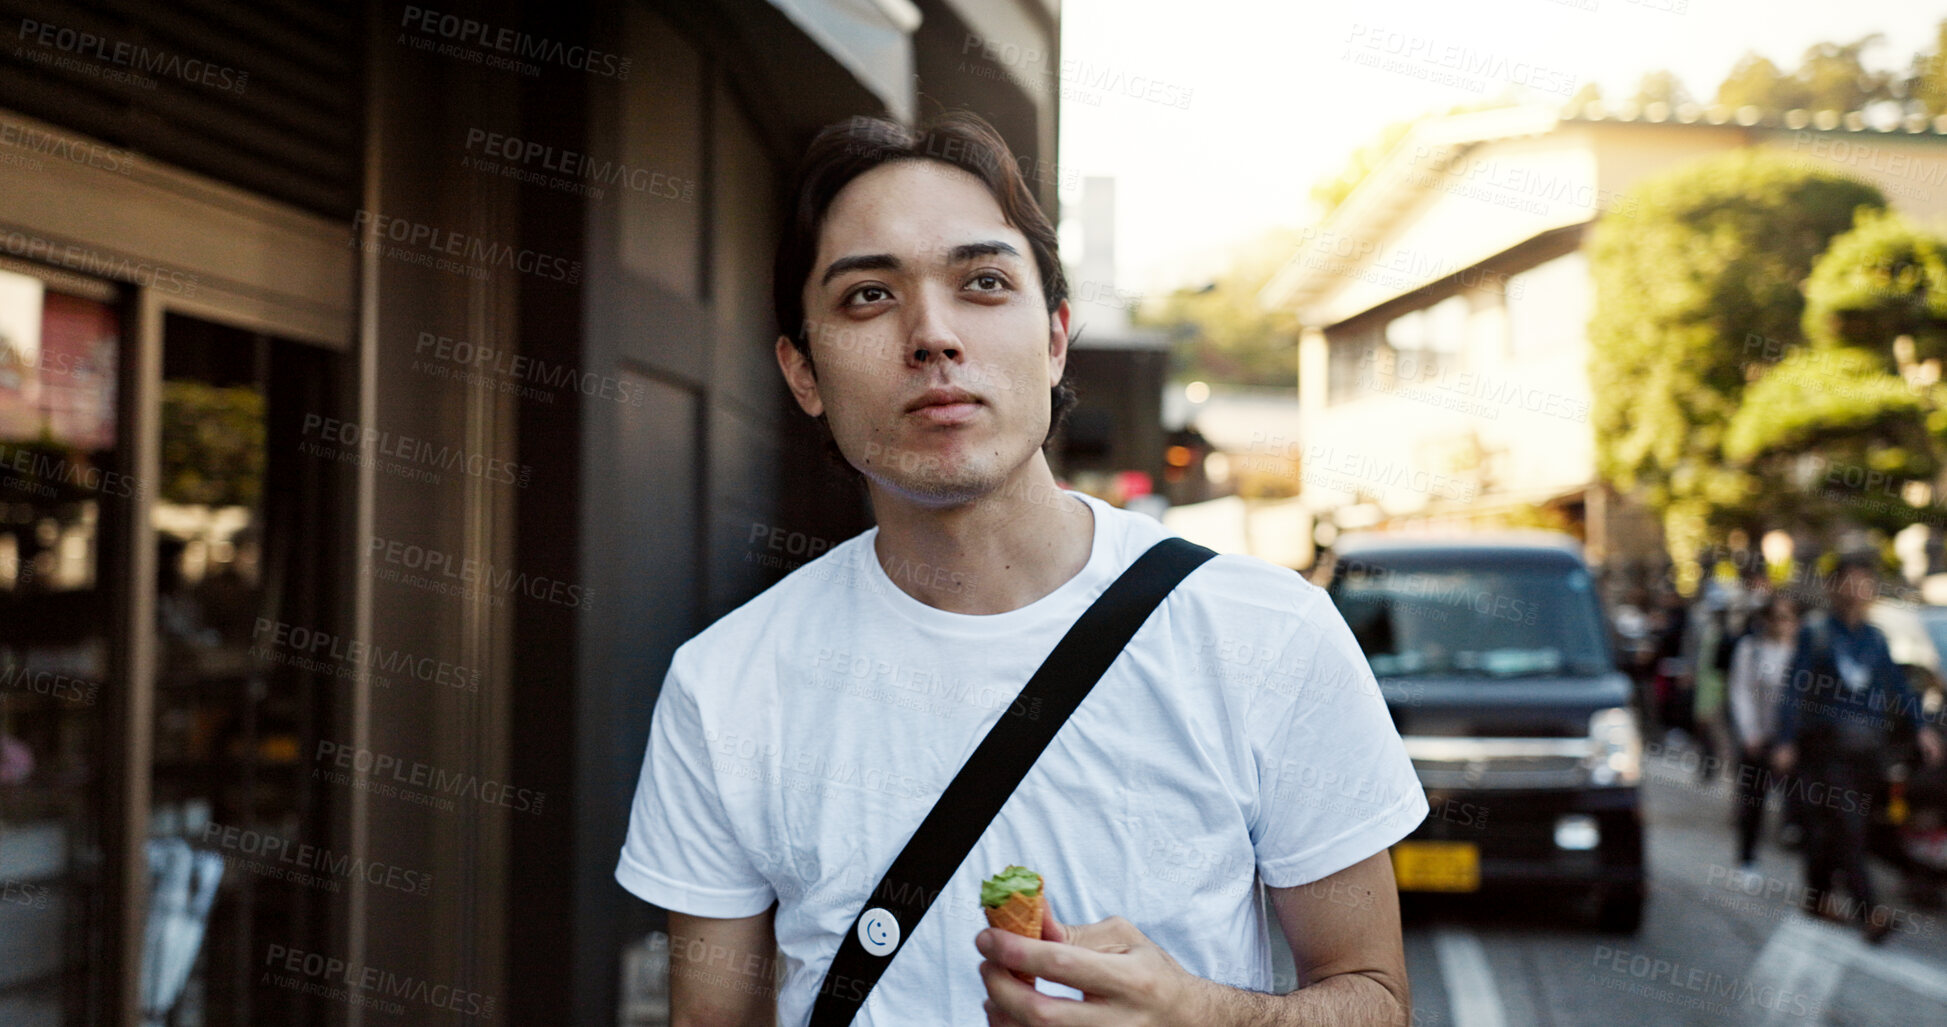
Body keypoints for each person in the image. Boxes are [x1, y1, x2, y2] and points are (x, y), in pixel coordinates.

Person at [614, 111, 1427, 1026]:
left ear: (1053, 337)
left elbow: (1374, 998)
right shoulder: (724, 684)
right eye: (868, 297)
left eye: (984, 282)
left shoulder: (1267, 633)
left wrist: (1202, 1014)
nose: (932, 335)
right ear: (803, 373)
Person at [1773, 553, 1945, 943]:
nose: (1859, 589)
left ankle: (1817, 897)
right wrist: (1785, 741)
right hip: (1825, 751)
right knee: (1848, 827)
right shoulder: (1815, 634)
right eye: (1851, 580)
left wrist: (1922, 729)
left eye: (1865, 581)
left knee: (1835, 831)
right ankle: (1870, 912)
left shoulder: (1874, 639)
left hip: (1868, 752)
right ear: (1834, 586)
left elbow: (1900, 689)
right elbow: (1794, 690)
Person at [1727, 595, 1797, 881]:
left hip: (1791, 741)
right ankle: (1747, 859)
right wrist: (1750, 733)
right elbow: (1740, 692)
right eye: (1777, 617)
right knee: (1753, 802)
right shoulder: (1751, 650)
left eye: (1788, 617)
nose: (1783, 624)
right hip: (1759, 738)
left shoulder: (1799, 653)